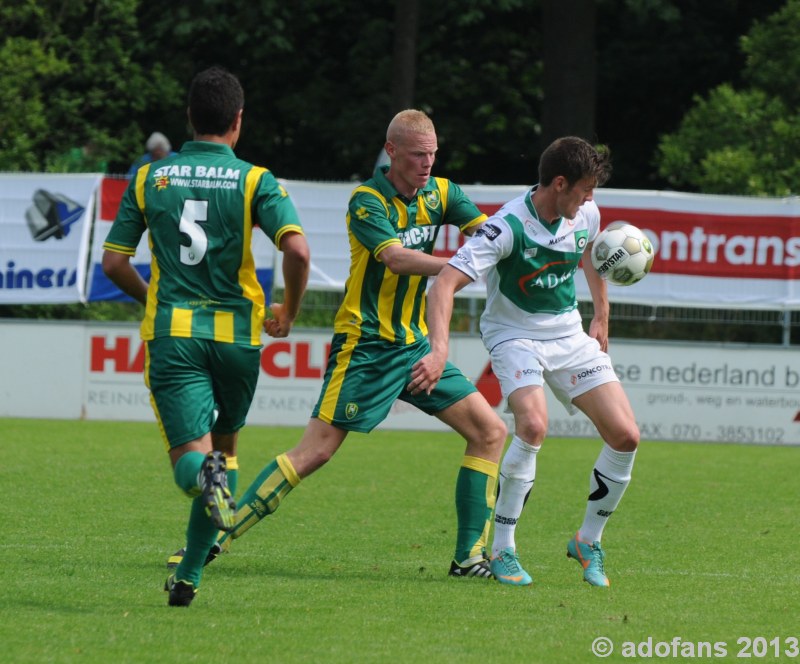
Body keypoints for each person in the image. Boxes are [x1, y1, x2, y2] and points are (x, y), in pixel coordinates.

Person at [167, 109, 508, 579]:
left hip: (414, 347)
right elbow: (395, 258)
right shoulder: (366, 200)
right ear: (391, 152)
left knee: (490, 432)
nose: (427, 164)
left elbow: (490, 234)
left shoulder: (443, 192)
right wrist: (457, 268)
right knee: (316, 452)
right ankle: (212, 539)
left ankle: (468, 557)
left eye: (433, 154)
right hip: (365, 346)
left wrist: (516, 246)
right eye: (417, 155)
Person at [101, 66, 310, 607]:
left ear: (189, 118)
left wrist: (152, 296)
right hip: (239, 339)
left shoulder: (151, 178)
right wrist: (288, 307)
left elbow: (114, 262)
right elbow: (298, 250)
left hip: (176, 335)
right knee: (227, 446)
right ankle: (190, 575)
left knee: (191, 465)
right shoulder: (255, 179)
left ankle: (206, 480)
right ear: (238, 121)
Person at [410, 136, 639, 587]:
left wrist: (602, 314)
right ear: (559, 183)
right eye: (585, 189)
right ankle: (503, 550)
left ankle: (587, 541)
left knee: (626, 435)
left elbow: (592, 252)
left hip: (568, 335)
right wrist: (439, 350)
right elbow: (443, 286)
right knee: (533, 426)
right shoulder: (506, 227)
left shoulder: (585, 213)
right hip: (514, 336)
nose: (591, 199)